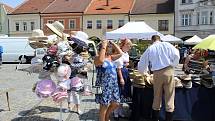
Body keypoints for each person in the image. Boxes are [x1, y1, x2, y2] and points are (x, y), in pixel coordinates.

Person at [138, 35, 180, 121]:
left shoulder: (151, 48)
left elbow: (142, 62)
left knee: (157, 97)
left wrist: (144, 73)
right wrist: (173, 65)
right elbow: (177, 55)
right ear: (159, 39)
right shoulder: (167, 45)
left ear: (152, 40)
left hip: (157, 73)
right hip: (168, 71)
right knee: (170, 97)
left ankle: (155, 119)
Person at [94, 40, 123, 121]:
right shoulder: (97, 58)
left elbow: (121, 54)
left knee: (116, 103)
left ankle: (106, 117)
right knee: (104, 105)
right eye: (108, 47)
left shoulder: (110, 57)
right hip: (104, 85)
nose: (109, 48)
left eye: (109, 47)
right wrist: (104, 45)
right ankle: (103, 119)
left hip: (113, 84)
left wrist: (113, 43)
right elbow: (101, 61)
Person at [113, 38, 132, 119]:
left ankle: (120, 111)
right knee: (118, 93)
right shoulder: (119, 52)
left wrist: (126, 64)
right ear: (123, 45)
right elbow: (118, 68)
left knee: (123, 94)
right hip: (120, 73)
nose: (129, 47)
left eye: (130, 45)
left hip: (125, 72)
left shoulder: (126, 53)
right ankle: (115, 112)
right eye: (128, 45)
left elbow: (127, 63)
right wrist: (121, 78)